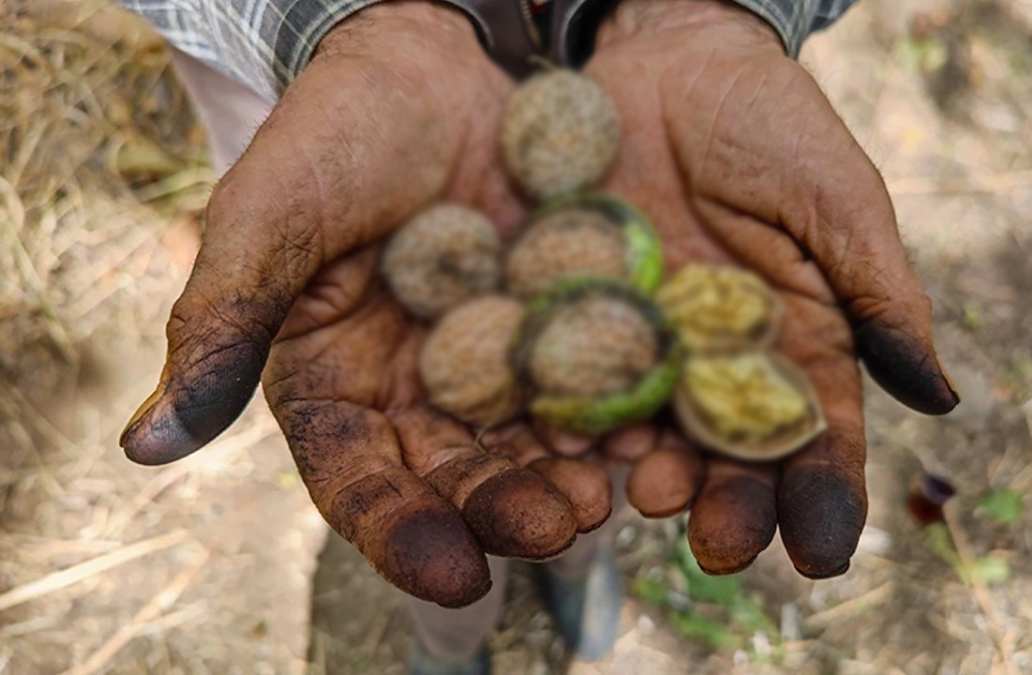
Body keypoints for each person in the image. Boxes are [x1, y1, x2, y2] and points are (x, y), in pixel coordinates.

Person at [115, 0, 959, 672]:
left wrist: (710, 13)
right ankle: (451, 637)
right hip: (318, 96)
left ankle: (581, 563)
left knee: (602, 450)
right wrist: (336, 19)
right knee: (423, 469)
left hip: (636, 96)